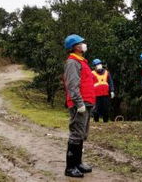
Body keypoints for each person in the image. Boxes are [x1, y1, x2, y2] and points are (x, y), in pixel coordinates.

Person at [62, 34, 95, 178]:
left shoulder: (82, 61)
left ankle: (78, 163)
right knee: (76, 134)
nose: (84, 44)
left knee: (81, 134)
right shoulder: (72, 63)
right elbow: (72, 85)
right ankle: (70, 167)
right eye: (81, 43)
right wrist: (79, 103)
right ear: (75, 47)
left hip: (86, 102)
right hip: (79, 104)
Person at [91, 59, 115, 123]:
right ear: (94, 67)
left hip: (105, 94)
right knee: (96, 109)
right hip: (96, 95)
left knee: (106, 109)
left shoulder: (107, 73)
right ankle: (96, 121)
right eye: (97, 65)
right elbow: (90, 84)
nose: (99, 66)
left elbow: (110, 82)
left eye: (99, 64)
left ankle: (106, 122)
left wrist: (112, 91)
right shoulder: (92, 74)